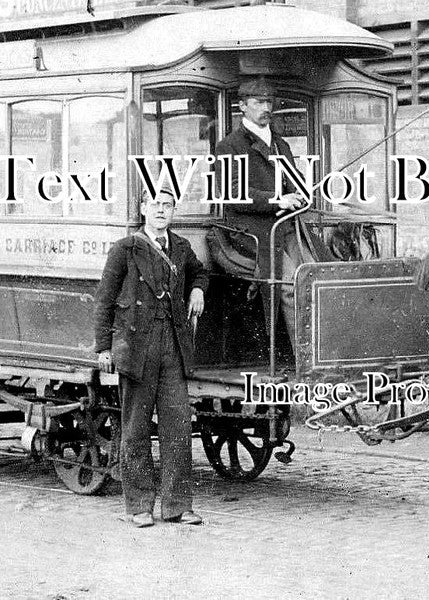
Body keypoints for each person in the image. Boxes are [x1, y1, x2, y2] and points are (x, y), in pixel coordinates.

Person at [93, 187, 209, 528]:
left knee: (178, 428)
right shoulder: (125, 250)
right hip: (136, 348)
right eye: (155, 204)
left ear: (173, 211)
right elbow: (104, 300)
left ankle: (178, 506)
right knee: (136, 429)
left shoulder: (181, 248)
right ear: (143, 208)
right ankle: (139, 506)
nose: (161, 210)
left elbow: (199, 272)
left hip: (172, 346)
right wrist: (103, 348)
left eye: (167, 205)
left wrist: (198, 289)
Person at [212, 78, 308, 360]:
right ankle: (303, 359)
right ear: (242, 106)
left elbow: (295, 182)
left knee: (317, 278)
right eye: (258, 102)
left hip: (287, 230)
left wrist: (300, 193)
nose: (266, 108)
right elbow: (233, 194)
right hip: (252, 234)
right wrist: (278, 200)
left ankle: (321, 354)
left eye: (269, 102)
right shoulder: (229, 146)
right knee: (291, 284)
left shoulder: (280, 144)